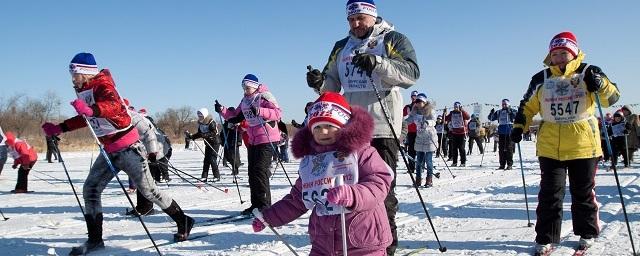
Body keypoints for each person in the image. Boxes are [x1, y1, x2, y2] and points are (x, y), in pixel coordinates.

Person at [41, 53, 193, 255]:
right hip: (109, 151)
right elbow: (86, 118)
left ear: (85, 72)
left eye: (74, 73)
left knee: (149, 191)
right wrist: (60, 127)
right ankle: (95, 240)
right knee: (91, 189)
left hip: (129, 148)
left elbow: (113, 106)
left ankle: (184, 220)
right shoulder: (84, 90)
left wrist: (91, 109)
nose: (72, 77)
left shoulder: (104, 85)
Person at [305, 1, 419, 253]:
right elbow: (332, 84)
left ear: (372, 16)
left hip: (381, 126)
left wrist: (378, 63)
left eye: (360, 19)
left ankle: (386, 245)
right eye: (351, 20)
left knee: (380, 189)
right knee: (346, 185)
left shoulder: (393, 38)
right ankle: (350, 241)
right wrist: (319, 82)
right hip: (349, 129)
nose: (355, 24)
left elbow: (412, 73)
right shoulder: (340, 47)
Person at [510, 32, 620, 254]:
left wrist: (600, 84)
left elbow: (612, 98)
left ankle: (587, 232)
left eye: (564, 53)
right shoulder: (540, 78)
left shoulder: (589, 71)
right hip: (551, 145)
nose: (559, 58)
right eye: (555, 53)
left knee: (583, 192)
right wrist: (518, 127)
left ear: (573, 53)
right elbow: (527, 106)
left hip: (583, 145)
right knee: (550, 193)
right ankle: (545, 237)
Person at [252, 92, 392, 255]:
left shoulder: (362, 153)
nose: (323, 132)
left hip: (363, 241)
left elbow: (379, 183)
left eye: (329, 126)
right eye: (317, 127)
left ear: (344, 126)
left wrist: (353, 194)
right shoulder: (312, 162)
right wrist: (269, 217)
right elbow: (298, 199)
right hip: (324, 244)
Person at [217, 74, 283, 216]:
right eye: (243, 88)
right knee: (252, 172)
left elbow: (277, 113)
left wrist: (259, 111)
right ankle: (256, 204)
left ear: (254, 86)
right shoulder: (245, 100)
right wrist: (222, 110)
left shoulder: (264, 96)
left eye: (247, 87)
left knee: (260, 170)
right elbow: (235, 115)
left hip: (267, 138)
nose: (245, 90)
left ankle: (265, 206)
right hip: (253, 139)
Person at [125, 106, 173, 216]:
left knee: (145, 181)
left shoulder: (137, 120)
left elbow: (151, 137)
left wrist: (152, 154)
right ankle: (142, 207)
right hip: (147, 151)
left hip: (155, 151)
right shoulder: (129, 120)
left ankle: (146, 208)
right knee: (141, 180)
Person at [402, 93, 437, 187]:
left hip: (429, 137)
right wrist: (401, 122)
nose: (417, 103)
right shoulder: (415, 111)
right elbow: (409, 120)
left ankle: (429, 179)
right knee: (418, 161)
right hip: (420, 137)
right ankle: (418, 179)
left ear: (424, 102)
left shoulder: (430, 110)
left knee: (429, 160)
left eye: (419, 101)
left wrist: (427, 122)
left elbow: (434, 121)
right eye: (416, 101)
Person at [187, 108, 221, 182]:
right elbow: (200, 133)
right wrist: (192, 137)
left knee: (212, 159)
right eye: (199, 115)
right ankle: (204, 177)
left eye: (201, 115)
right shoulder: (200, 123)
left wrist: (205, 135)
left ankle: (217, 176)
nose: (200, 117)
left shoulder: (211, 121)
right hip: (208, 143)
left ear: (205, 115)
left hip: (215, 142)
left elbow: (213, 132)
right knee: (206, 160)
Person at [488, 99, 517, 170]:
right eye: (503, 104)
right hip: (501, 132)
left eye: (505, 104)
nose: (504, 105)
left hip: (509, 132)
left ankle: (509, 164)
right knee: (501, 149)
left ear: (508, 105)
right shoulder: (499, 112)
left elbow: (516, 116)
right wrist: (491, 113)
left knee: (509, 149)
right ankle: (502, 164)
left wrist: (510, 112)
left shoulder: (512, 110)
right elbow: (490, 118)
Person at [445, 102, 470, 167]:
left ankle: (463, 162)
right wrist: (444, 113)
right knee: (454, 148)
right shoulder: (452, 113)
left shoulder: (462, 112)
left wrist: (463, 110)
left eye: (457, 107)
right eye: (455, 106)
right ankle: (454, 162)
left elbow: (468, 117)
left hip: (462, 133)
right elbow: (445, 119)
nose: (456, 108)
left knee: (461, 148)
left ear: (459, 107)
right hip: (454, 132)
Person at [403, 90, 419, 169]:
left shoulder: (420, 106)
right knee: (411, 150)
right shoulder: (408, 107)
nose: (414, 98)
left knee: (419, 149)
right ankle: (412, 167)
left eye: (415, 96)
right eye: (412, 96)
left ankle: (420, 167)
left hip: (419, 131)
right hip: (410, 131)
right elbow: (401, 114)